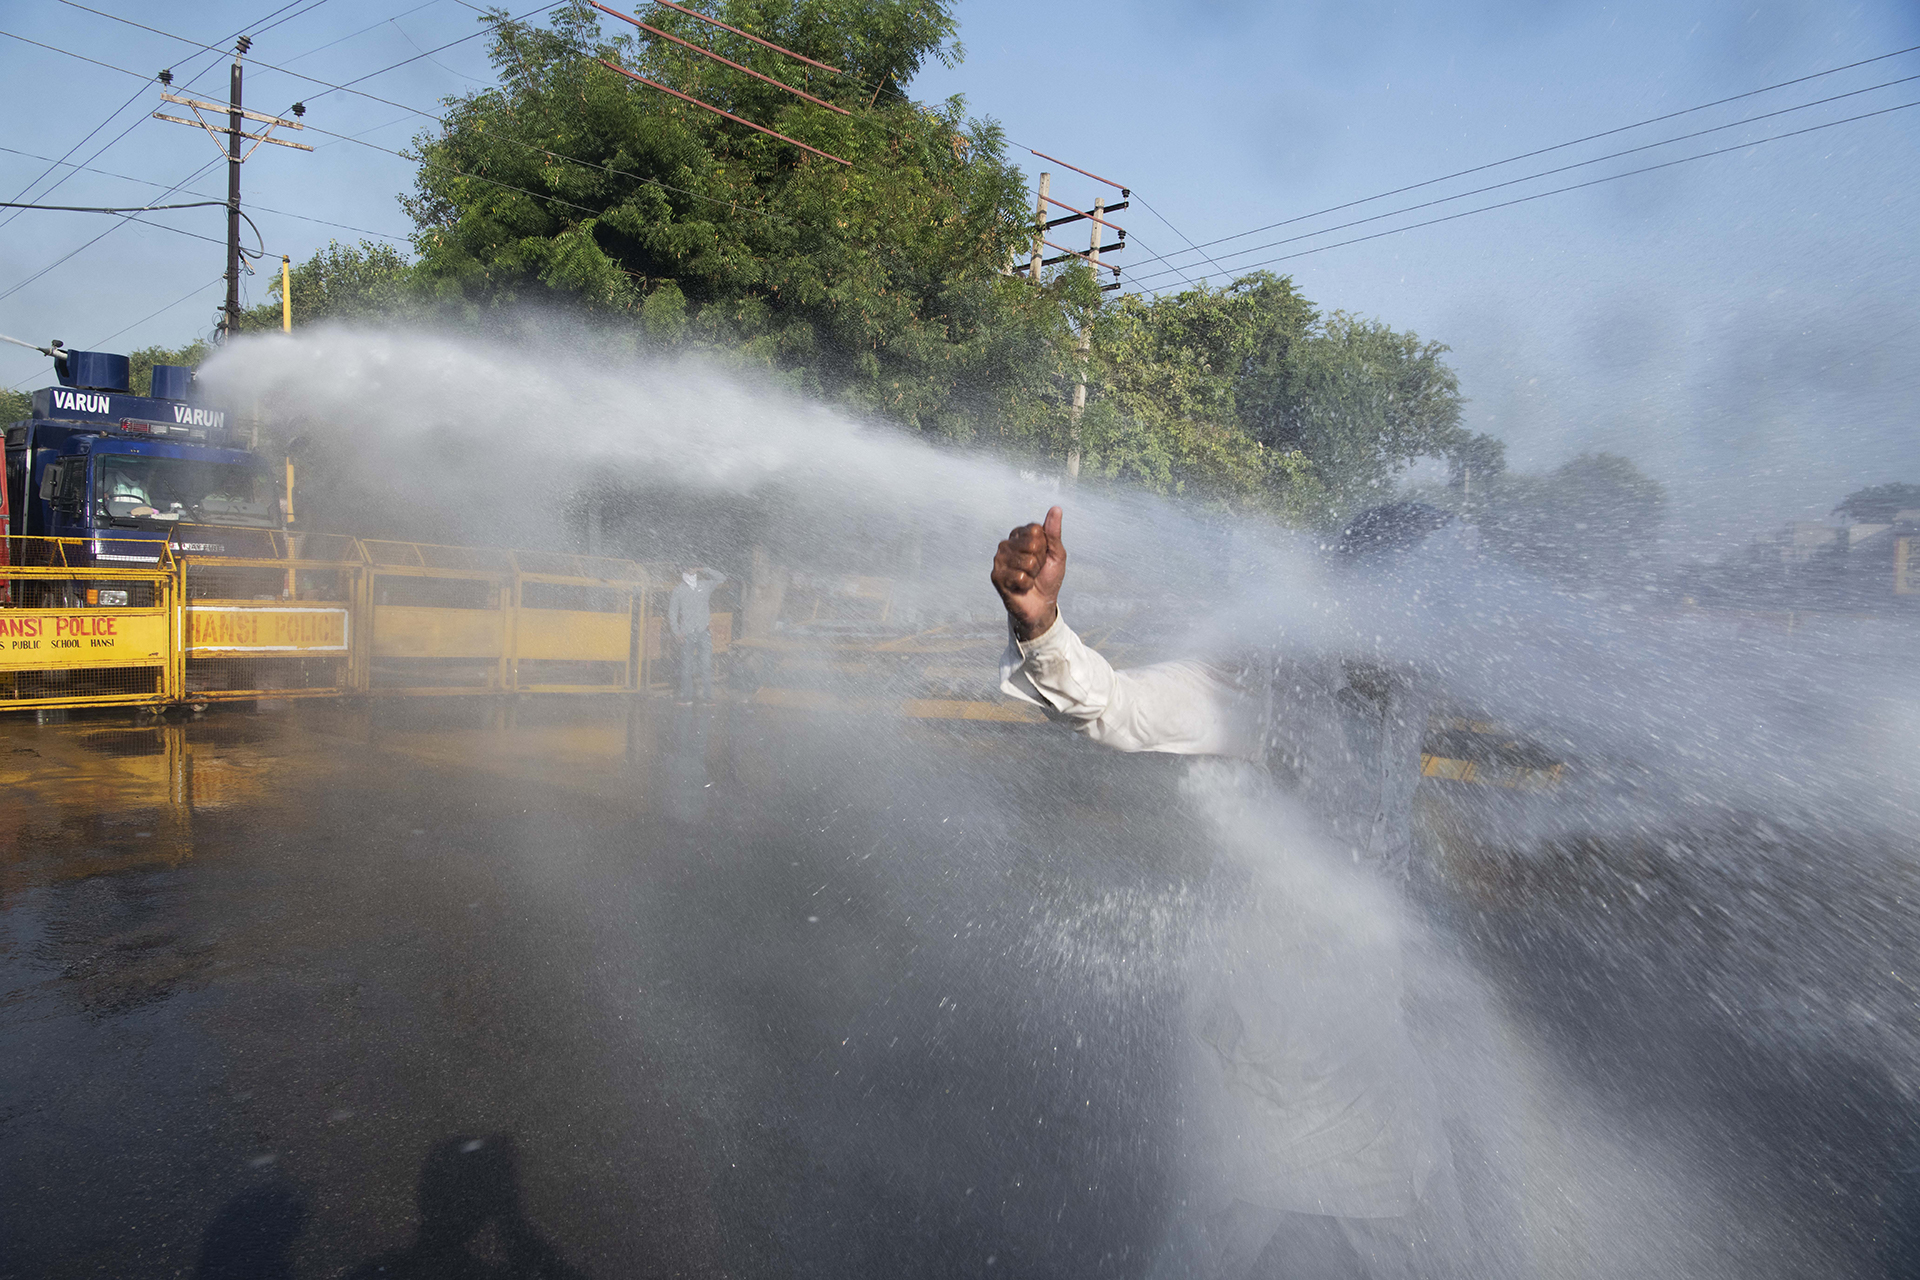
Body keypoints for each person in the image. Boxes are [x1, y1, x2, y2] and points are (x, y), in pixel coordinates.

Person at [991, 504, 1469, 1280]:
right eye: (1430, 600)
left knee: (1417, 1238)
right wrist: (1040, 626)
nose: (1443, 623)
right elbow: (1120, 710)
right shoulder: (1271, 683)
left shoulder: (1402, 694)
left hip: (1375, 1066)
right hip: (1266, 1071)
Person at [667, 565, 727, 703]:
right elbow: (672, 612)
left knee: (706, 666)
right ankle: (687, 697)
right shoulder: (679, 590)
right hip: (686, 634)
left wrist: (704, 569)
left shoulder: (704, 586)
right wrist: (676, 632)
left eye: (693, 570)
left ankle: (708, 697)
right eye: (688, 570)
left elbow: (722, 578)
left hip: (703, 632)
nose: (691, 573)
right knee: (686, 667)